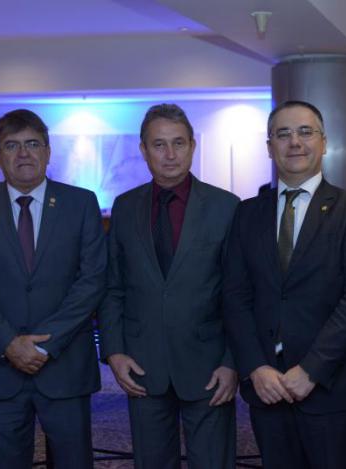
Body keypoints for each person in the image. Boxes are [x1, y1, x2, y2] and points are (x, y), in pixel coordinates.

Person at [223, 100, 346, 469]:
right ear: (270, 147)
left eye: (305, 132)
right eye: (283, 134)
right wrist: (255, 367)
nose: (294, 142)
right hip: (267, 387)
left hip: (332, 387)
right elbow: (234, 296)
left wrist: (311, 369)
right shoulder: (247, 213)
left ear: (323, 143)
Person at [0, 109, 107, 469]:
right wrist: (9, 343)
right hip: (0, 369)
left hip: (65, 366)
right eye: (12, 145)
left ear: (48, 152)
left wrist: (44, 344)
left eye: (33, 144)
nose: (23, 153)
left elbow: (92, 280)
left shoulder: (81, 203)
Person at [97, 103, 239, 468]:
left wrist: (232, 362)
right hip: (142, 365)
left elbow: (239, 293)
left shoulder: (226, 207)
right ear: (143, 150)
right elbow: (113, 286)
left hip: (209, 365)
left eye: (178, 143)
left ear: (193, 146)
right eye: (159, 145)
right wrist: (114, 351)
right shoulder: (125, 207)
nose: (170, 154)